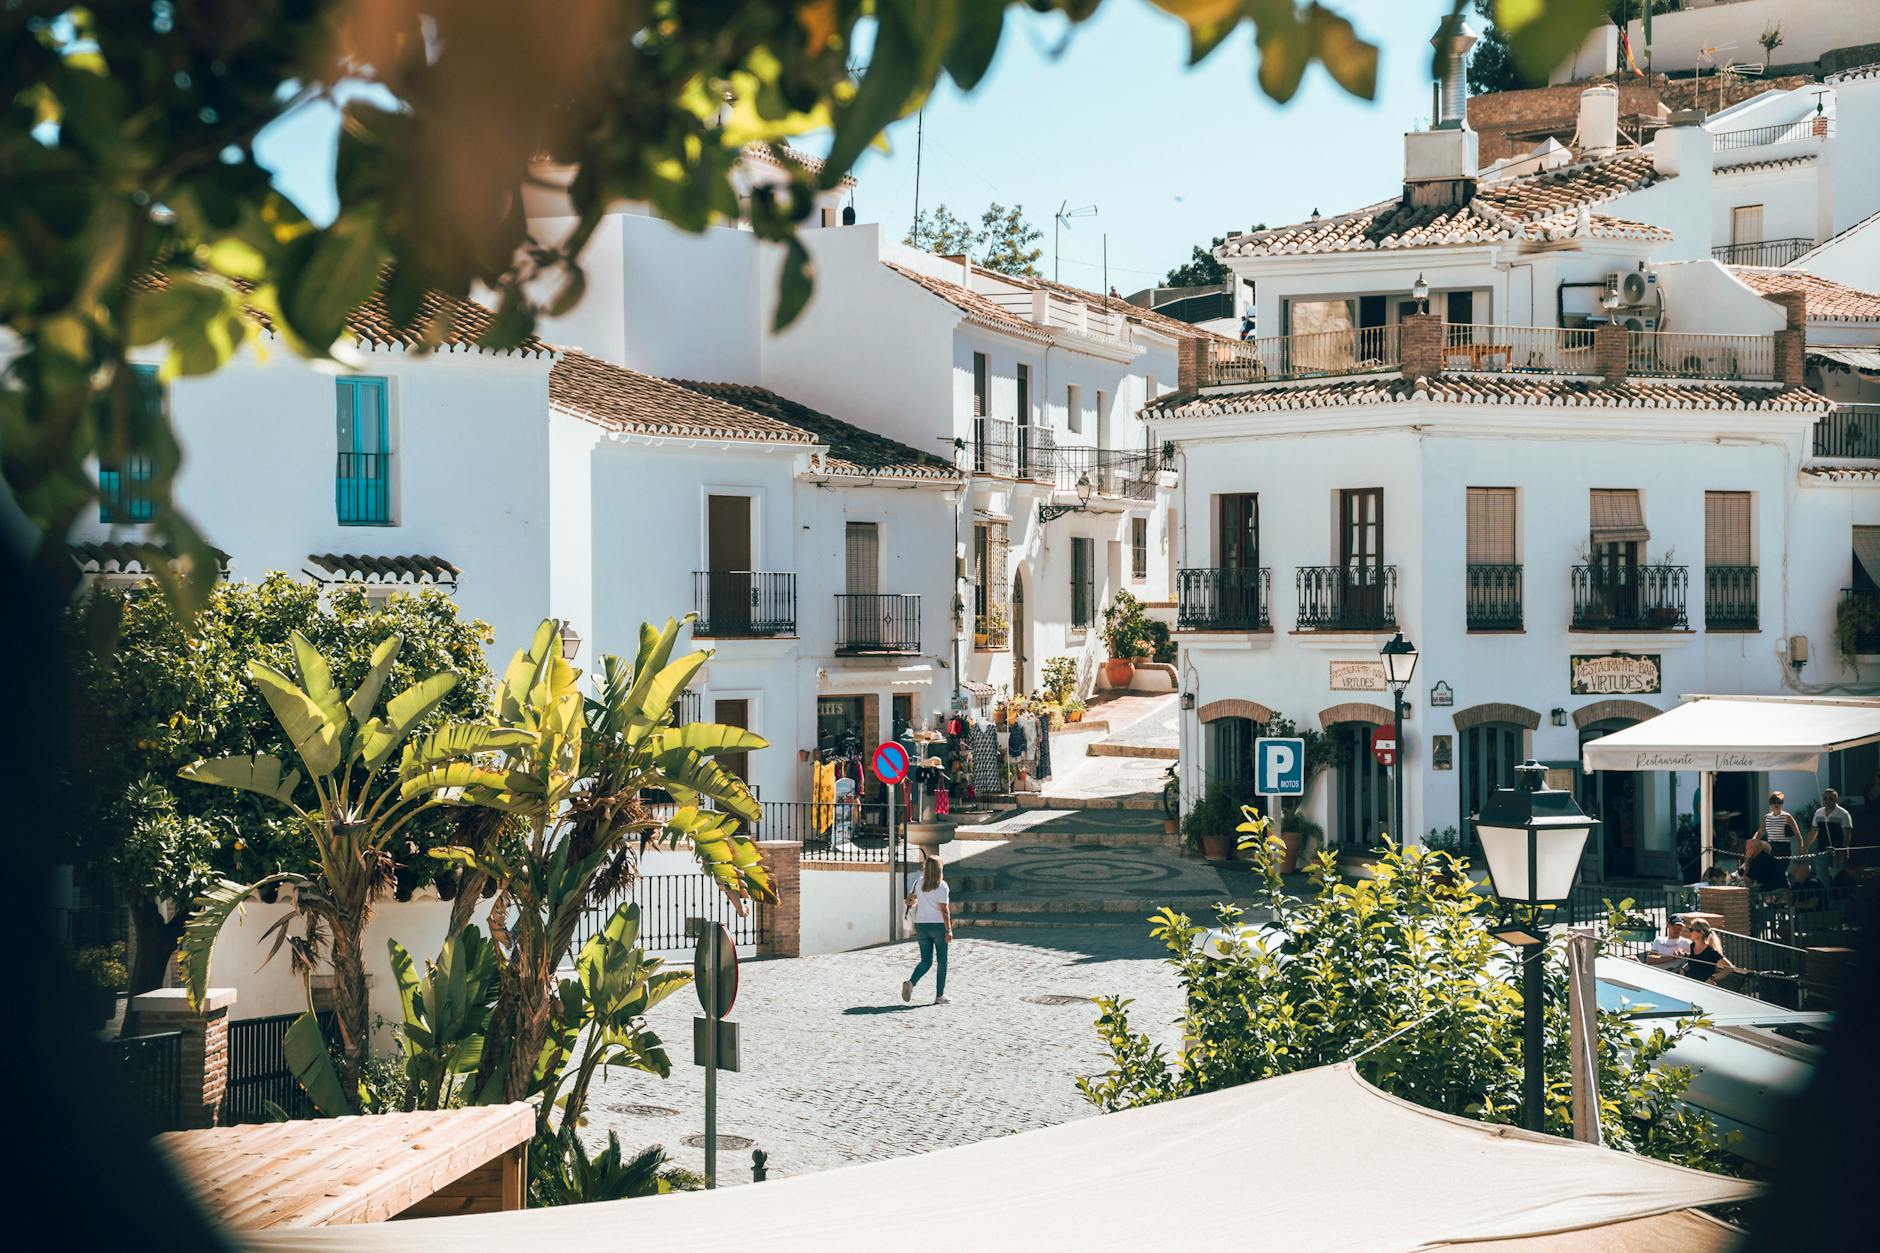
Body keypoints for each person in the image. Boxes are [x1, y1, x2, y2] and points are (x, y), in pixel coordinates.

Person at [902, 850, 952, 1005]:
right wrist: (949, 929)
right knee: (942, 961)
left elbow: (911, 900)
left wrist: (917, 901)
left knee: (926, 960)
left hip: (921, 925)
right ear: (939, 869)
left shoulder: (919, 882)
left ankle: (911, 982)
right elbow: (944, 910)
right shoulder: (942, 886)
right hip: (937, 926)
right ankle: (939, 995)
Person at [1810, 789, 1854, 879]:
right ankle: (1825, 893)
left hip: (1838, 852)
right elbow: (1813, 831)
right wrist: (1805, 847)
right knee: (1822, 878)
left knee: (1839, 878)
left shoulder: (1843, 814)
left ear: (1836, 800)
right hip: (1822, 850)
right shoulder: (1818, 813)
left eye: (1831, 799)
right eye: (1825, 798)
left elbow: (1847, 835)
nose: (1827, 801)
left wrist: (1843, 850)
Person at [1759, 791, 1802, 874]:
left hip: (1783, 847)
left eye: (1779, 802)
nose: (1776, 804)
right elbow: (1760, 832)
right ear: (1770, 803)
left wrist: (1801, 846)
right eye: (1774, 802)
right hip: (1771, 847)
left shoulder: (1787, 816)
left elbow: (1797, 833)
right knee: (1771, 872)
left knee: (1781, 871)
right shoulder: (1766, 817)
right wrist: (1753, 841)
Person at [1683, 919, 1737, 984]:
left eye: (1691, 930)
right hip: (1692, 984)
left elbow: (1729, 968)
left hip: (1705, 986)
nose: (1689, 932)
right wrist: (1683, 969)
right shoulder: (1692, 945)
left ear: (1700, 932)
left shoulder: (1711, 951)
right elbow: (1694, 962)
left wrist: (1712, 978)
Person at [1740, 829, 1789, 893]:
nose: (1746, 852)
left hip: (1774, 894)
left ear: (1752, 850)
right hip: (1781, 891)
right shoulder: (1766, 857)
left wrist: (1747, 862)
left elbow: (1747, 883)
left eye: (1747, 849)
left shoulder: (1757, 861)